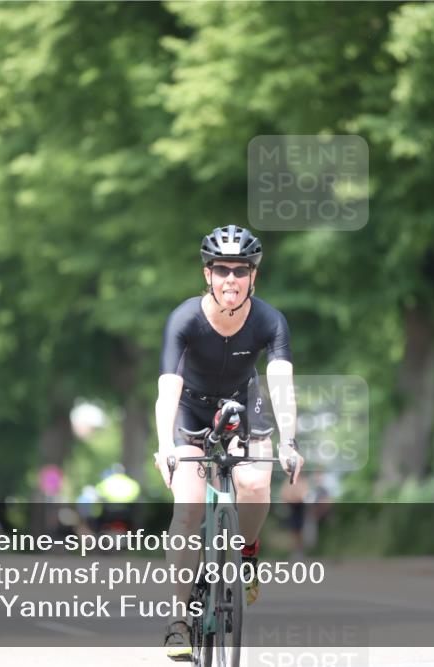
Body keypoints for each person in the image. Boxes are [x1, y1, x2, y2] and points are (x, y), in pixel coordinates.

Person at [153, 225, 303, 660]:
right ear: (208, 275)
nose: (231, 279)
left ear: (254, 276)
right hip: (190, 410)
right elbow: (167, 389)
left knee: (255, 483)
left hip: (242, 405)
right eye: (222, 270)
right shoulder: (185, 319)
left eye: (241, 270)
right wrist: (165, 446)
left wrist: (290, 440)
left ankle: (247, 553)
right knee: (188, 510)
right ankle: (178, 621)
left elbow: (281, 383)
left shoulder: (270, 321)